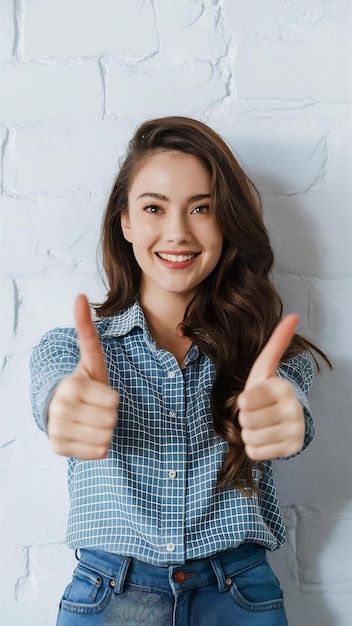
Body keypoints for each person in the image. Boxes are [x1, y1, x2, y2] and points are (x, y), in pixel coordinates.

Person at [30, 116, 328, 626]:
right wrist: (67, 408)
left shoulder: (270, 356)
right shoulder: (71, 350)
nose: (178, 232)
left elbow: (287, 403)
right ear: (125, 221)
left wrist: (284, 415)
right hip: (112, 599)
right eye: (154, 208)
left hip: (238, 597)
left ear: (226, 221)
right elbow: (57, 397)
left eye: (202, 209)